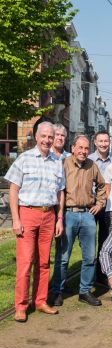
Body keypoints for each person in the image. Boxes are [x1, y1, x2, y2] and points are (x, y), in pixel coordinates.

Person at [5, 122, 65, 322]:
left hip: (49, 215)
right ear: (36, 137)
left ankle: (40, 301)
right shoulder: (24, 159)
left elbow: (60, 192)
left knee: (44, 262)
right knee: (25, 263)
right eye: (44, 136)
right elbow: (13, 189)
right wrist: (16, 218)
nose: (47, 140)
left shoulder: (57, 162)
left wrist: (59, 218)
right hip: (27, 214)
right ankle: (21, 306)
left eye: (51, 137)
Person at [51, 135, 106, 307]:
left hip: (88, 215)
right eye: (80, 148)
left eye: (86, 148)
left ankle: (85, 291)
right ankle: (56, 291)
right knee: (63, 256)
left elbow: (102, 186)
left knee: (89, 256)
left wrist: (99, 203)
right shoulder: (64, 164)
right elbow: (56, 188)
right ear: (73, 148)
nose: (83, 151)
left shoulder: (92, 165)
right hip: (68, 214)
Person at [88, 130, 112, 283]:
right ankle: (88, 275)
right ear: (95, 142)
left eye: (106, 141)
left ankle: (101, 273)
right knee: (90, 241)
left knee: (105, 241)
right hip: (92, 205)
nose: (104, 144)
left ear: (109, 142)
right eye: (101, 141)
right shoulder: (89, 159)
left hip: (109, 206)